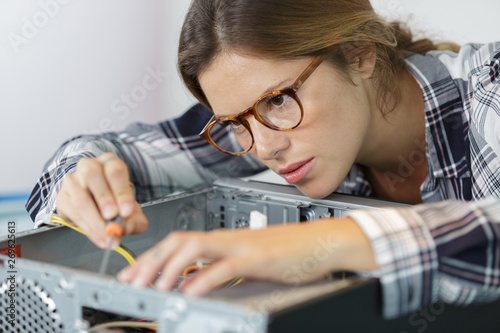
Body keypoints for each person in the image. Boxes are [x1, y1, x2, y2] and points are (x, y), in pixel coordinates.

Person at [26, 0, 500, 319]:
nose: (263, 148)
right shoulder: (257, 125)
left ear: (359, 54)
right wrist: (81, 176)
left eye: (277, 99)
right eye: (235, 122)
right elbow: (109, 155)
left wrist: (320, 242)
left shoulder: (490, 93)